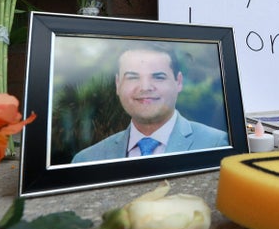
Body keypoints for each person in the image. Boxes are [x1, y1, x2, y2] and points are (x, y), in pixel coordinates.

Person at [72, 42, 229, 162]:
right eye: (133, 77)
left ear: (178, 82)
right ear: (118, 84)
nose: (145, 87)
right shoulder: (86, 159)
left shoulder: (217, 144)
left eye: (158, 77)